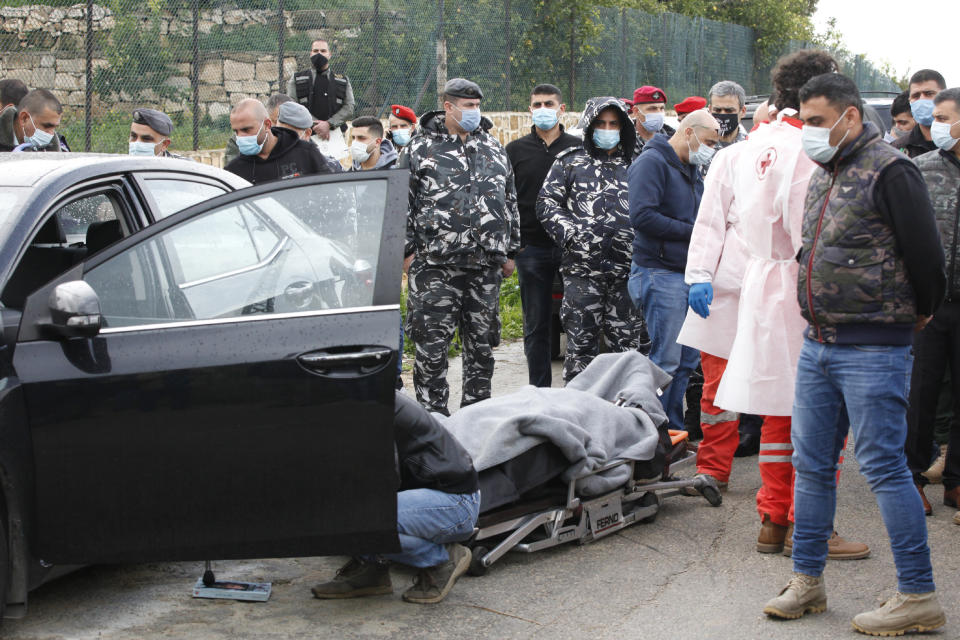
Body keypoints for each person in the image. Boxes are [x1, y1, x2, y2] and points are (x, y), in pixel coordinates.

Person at [764, 72, 947, 636]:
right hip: (819, 345)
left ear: (848, 116)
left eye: (816, 122)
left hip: (873, 346)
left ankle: (918, 593)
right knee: (812, 467)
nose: (807, 132)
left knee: (885, 469)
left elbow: (927, 258)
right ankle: (808, 581)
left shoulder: (892, 170)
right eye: (803, 121)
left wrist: (916, 314)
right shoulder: (828, 170)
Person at [709, 51, 868, 559]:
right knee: (823, 413)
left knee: (780, 411)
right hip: (807, 287)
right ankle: (812, 525)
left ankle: (772, 518)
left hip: (761, 284)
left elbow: (712, 222)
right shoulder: (811, 151)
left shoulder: (747, 148)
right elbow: (817, 230)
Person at [404, 78, 519, 415]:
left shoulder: (494, 148)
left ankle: (476, 416)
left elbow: (509, 199)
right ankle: (433, 421)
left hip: (485, 266)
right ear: (448, 107)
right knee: (432, 349)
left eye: (477, 105)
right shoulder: (418, 149)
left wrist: (510, 250)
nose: (474, 111)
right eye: (467, 106)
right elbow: (400, 205)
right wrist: (408, 253)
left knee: (482, 348)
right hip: (435, 269)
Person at [311, 391, 479, 604]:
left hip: (455, 502)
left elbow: (385, 479)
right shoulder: (349, 395)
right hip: (427, 495)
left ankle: (441, 560)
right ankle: (373, 572)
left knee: (350, 518)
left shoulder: (365, 403)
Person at [627, 110, 718, 432]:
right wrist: (695, 231)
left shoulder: (690, 168)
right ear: (689, 132)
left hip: (685, 275)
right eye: (707, 141)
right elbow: (642, 217)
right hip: (659, 273)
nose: (710, 149)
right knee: (665, 362)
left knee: (686, 363)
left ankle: (673, 433)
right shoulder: (652, 163)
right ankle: (653, 435)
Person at [537, 96, 639, 383]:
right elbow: (547, 204)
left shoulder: (637, 162)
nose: (607, 129)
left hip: (627, 275)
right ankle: (579, 417)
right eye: (601, 124)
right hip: (583, 274)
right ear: (590, 126)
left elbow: (653, 205)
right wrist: (571, 235)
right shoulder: (570, 162)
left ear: (623, 127)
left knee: (627, 353)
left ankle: (625, 420)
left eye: (613, 124)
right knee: (581, 352)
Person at [505, 83, 579, 387]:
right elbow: (506, 201)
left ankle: (577, 391)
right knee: (536, 325)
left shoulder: (578, 148)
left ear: (561, 109)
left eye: (549, 104)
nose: (543, 110)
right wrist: (511, 248)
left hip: (571, 248)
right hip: (531, 249)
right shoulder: (515, 151)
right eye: (537, 104)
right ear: (529, 110)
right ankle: (539, 393)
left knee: (578, 322)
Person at [908, 87, 960, 518]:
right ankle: (911, 477)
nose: (936, 123)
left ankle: (956, 482)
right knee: (920, 394)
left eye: (945, 117)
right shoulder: (920, 169)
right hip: (928, 303)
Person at [223, 98, 341, 185]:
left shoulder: (306, 153)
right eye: (236, 131)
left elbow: (330, 194)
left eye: (246, 129)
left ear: (267, 125)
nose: (241, 137)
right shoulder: (234, 170)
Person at [288, 38, 355, 160]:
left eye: (323, 51)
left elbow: (349, 107)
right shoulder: (296, 79)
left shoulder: (342, 80)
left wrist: (329, 124)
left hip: (336, 138)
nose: (319, 54)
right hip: (305, 136)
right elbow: (292, 105)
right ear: (310, 53)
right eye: (316, 50)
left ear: (330, 54)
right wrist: (316, 124)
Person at [224, 93, 294, 164]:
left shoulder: (298, 140)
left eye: (286, 122)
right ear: (267, 122)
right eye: (275, 121)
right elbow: (231, 170)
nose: (279, 126)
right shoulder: (240, 141)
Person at [893, 69, 946, 159]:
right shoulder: (897, 149)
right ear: (910, 101)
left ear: (945, 97)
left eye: (929, 94)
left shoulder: (955, 144)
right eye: (916, 96)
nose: (922, 100)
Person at [0, 88, 67, 152]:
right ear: (24, 118)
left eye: (54, 128)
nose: (51, 134)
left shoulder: (54, 146)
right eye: (46, 126)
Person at [630, 85, 676, 154]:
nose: (659, 113)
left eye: (661, 108)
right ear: (636, 111)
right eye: (652, 108)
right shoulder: (624, 139)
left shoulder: (673, 138)